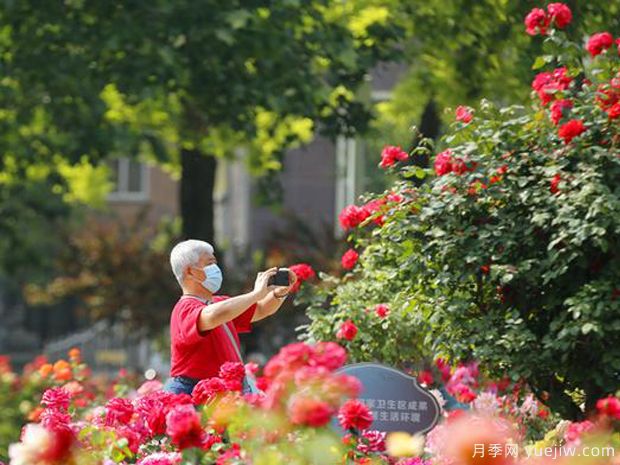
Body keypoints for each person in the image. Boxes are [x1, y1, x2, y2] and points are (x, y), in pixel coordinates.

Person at [163, 239, 296, 395]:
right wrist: (255, 294)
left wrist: (279, 293)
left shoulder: (220, 302)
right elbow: (213, 316)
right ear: (190, 272)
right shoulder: (185, 308)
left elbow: (261, 310)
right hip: (195, 391)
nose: (216, 268)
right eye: (209, 263)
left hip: (224, 390)